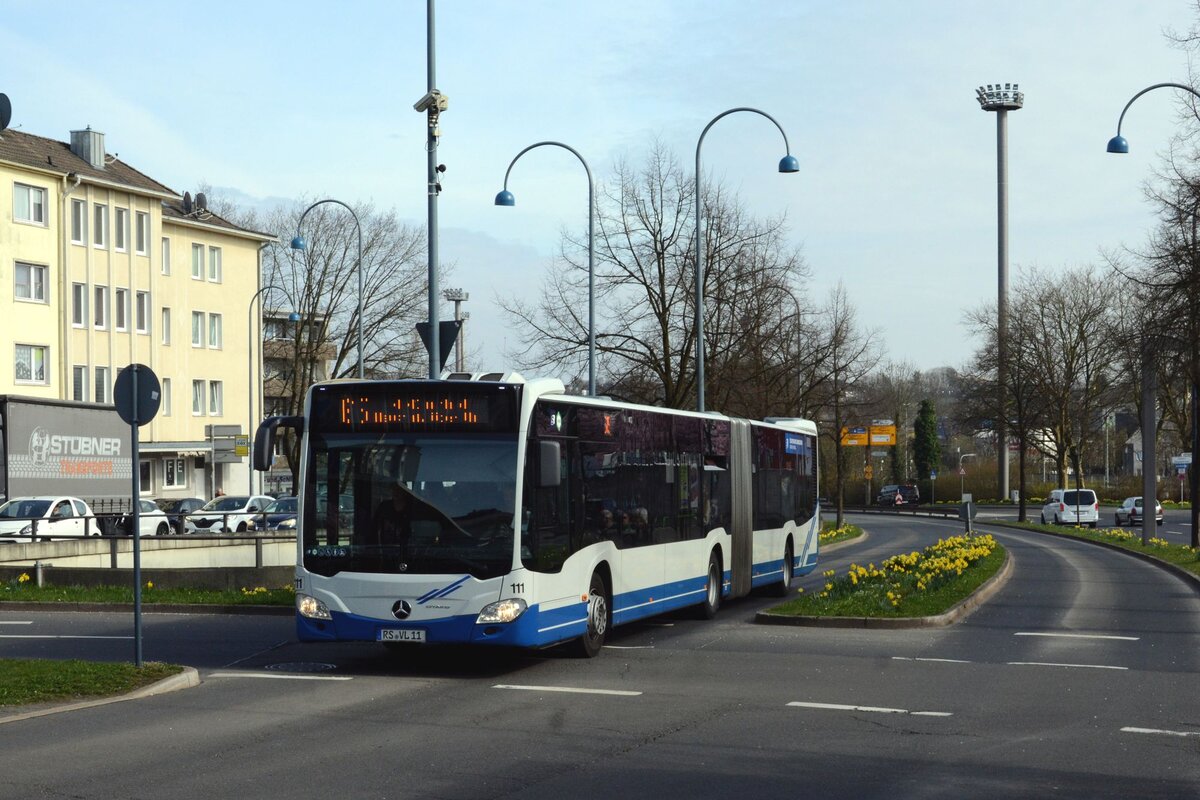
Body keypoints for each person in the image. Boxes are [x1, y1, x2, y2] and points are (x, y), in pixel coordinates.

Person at [369, 481, 414, 547]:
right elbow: (374, 528)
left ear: (405, 492)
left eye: (399, 490)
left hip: (407, 549)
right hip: (385, 549)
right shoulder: (384, 507)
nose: (396, 492)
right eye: (394, 489)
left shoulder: (411, 509)